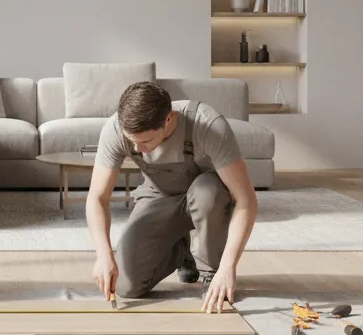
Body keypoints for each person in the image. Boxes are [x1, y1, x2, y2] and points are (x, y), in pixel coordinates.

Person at [86, 81, 258, 314]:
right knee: (127, 285)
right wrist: (103, 254)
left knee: (207, 193)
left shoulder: (208, 125)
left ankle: (211, 273)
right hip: (159, 194)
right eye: (132, 141)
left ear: (168, 120)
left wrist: (228, 268)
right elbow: (97, 197)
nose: (137, 149)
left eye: (145, 141)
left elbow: (246, 200)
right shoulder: (115, 130)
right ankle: (181, 253)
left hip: (207, 199)